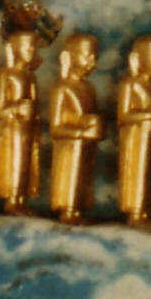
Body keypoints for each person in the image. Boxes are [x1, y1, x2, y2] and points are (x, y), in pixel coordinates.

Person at [46, 34, 103, 224]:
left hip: (85, 148)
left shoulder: (89, 89)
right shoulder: (62, 88)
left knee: (83, 179)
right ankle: (68, 210)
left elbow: (89, 119)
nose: (91, 62)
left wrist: (95, 127)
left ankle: (77, 208)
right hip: (68, 149)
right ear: (69, 57)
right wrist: (80, 132)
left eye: (94, 56)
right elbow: (56, 128)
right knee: (69, 178)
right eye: (87, 55)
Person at [116, 35, 151, 227]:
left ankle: (146, 211)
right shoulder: (131, 85)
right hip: (136, 141)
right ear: (139, 58)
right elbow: (123, 117)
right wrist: (150, 115)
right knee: (139, 173)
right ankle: (136, 213)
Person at [0, 31, 41, 216]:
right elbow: (0, 110)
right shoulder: (7, 74)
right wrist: (17, 108)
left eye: (33, 46)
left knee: (26, 163)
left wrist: (33, 113)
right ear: (15, 48)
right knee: (15, 160)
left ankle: (21, 198)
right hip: (12, 129)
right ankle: (12, 200)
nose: (31, 50)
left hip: (28, 128)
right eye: (27, 46)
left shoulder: (31, 77)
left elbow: (36, 106)